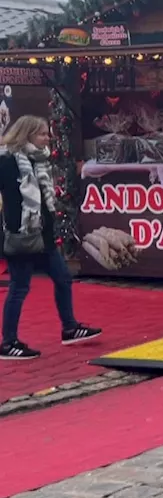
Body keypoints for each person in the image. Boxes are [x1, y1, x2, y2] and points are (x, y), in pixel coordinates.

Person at [1, 116, 101, 361]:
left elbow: (46, 199)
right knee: (19, 287)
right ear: (27, 135)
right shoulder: (8, 161)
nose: (48, 138)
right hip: (22, 234)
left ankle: (69, 327)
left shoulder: (41, 159)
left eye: (47, 133)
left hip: (43, 236)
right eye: (42, 134)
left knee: (63, 278)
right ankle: (8, 342)